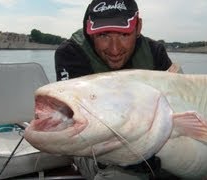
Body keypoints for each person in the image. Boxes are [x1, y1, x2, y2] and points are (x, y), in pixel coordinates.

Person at [54, 0, 181, 179]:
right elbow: (77, 127)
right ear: (89, 32)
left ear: (138, 28)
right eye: (103, 35)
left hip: (155, 136)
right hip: (92, 145)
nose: (114, 49)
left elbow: (177, 108)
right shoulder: (71, 53)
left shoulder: (155, 52)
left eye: (123, 34)